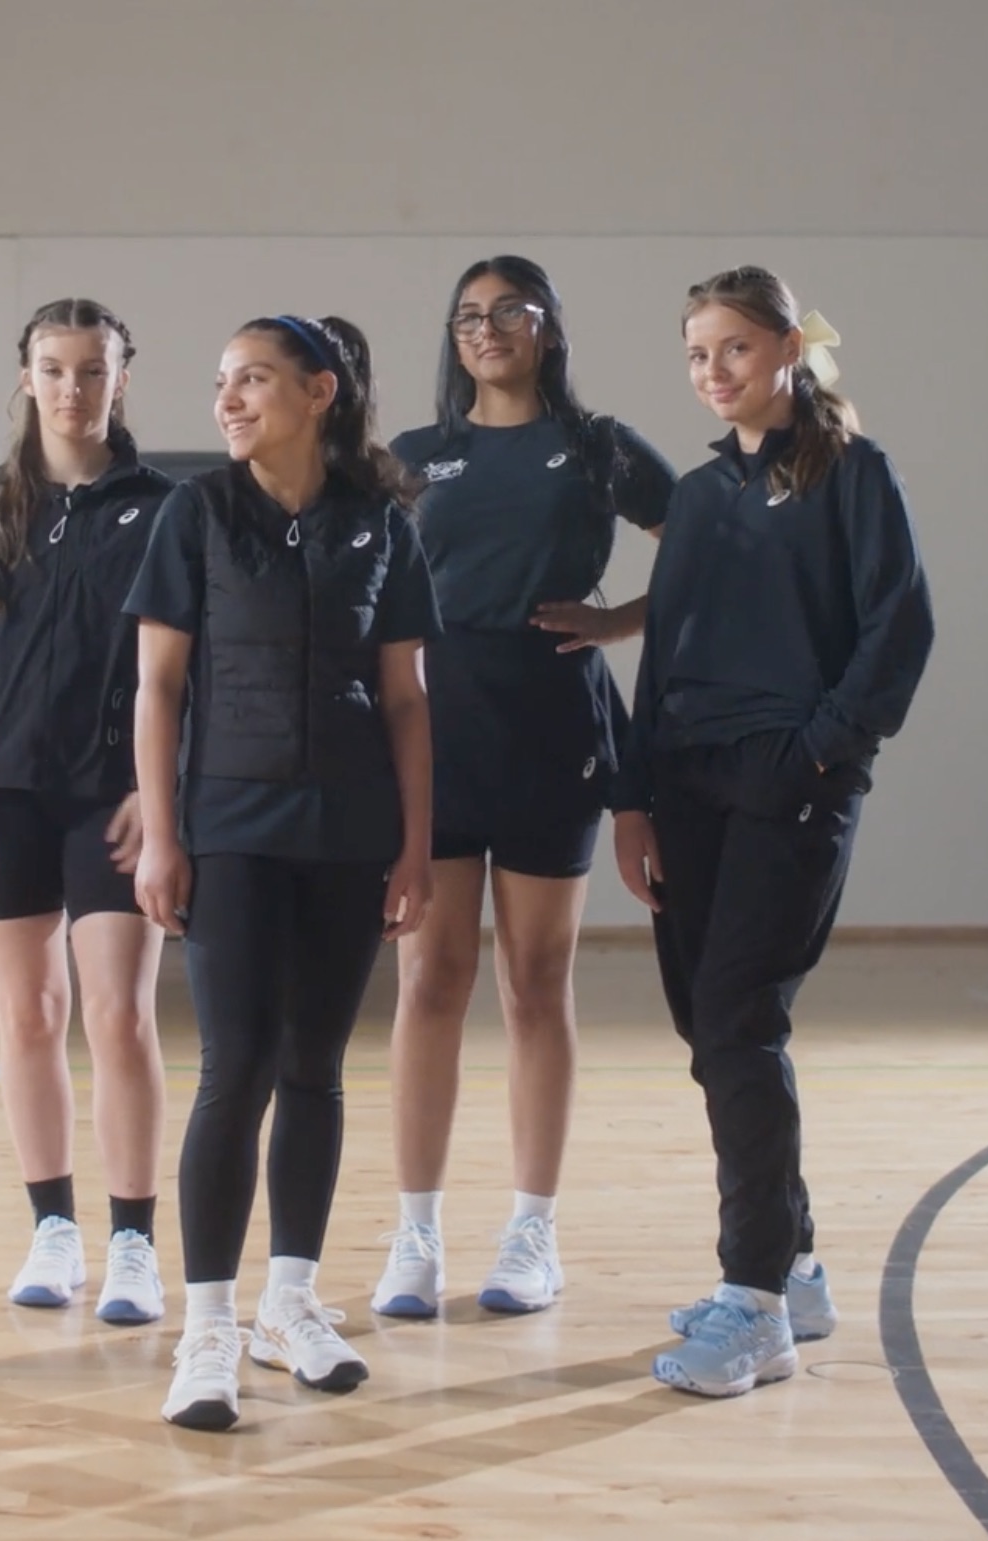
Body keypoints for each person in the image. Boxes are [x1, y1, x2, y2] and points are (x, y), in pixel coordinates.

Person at [613, 265, 933, 1396]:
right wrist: (635, 797)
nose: (713, 371)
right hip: (688, 787)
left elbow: (900, 628)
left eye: (734, 348)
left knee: (739, 1021)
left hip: (789, 781)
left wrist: (819, 750)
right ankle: (791, 1268)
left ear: (789, 347)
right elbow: (664, 655)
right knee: (708, 1027)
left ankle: (751, 1306)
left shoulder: (854, 473)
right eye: (697, 354)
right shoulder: (702, 495)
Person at [126, 313, 441, 1430]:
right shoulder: (197, 514)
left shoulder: (381, 523)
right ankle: (207, 1326)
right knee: (236, 1065)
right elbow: (158, 687)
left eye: (253, 379)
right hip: (231, 828)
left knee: (316, 1065)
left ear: (318, 392)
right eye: (223, 381)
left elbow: (404, 698)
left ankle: (290, 1300)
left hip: (349, 831)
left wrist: (413, 842)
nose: (228, 399)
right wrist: (162, 835)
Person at [377, 256, 674, 1319]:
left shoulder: (597, 447)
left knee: (537, 982)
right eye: (468, 315)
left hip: (553, 732)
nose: (487, 328)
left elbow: (708, 547)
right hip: (438, 737)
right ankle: (415, 1232)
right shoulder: (414, 458)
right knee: (430, 978)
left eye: (509, 310)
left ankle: (531, 1231)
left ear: (547, 326)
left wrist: (618, 621)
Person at [0, 298, 175, 1323]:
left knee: (118, 1013)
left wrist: (159, 786)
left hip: (113, 797)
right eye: (54, 368)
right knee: (28, 1013)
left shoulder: (167, 509)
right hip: (4, 794)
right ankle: (53, 1227)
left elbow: (187, 666)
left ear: (120, 379)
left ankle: (134, 1240)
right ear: (26, 377)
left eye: (93, 369)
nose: (73, 388)